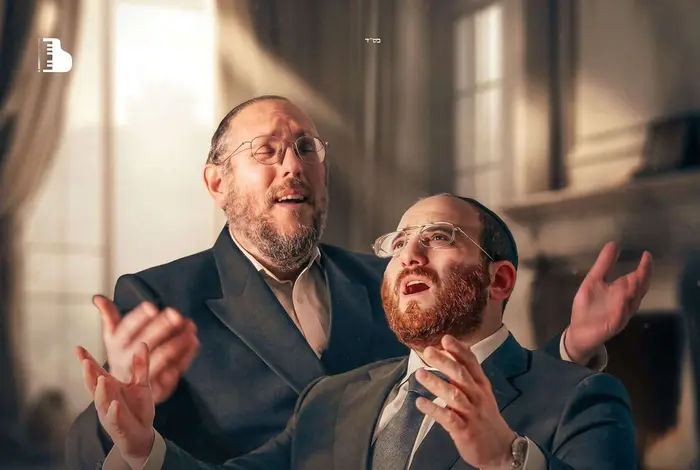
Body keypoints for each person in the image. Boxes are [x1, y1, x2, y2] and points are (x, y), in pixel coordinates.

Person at [65, 96, 652, 469]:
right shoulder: (159, 299)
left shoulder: (385, 282)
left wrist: (562, 363)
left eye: (306, 148)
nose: (293, 165)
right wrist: (135, 446)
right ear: (217, 184)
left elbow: (507, 386)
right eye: (267, 151)